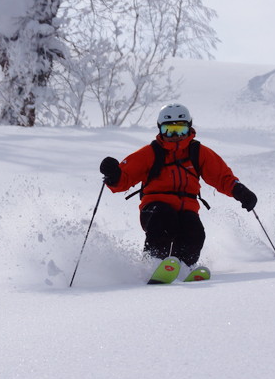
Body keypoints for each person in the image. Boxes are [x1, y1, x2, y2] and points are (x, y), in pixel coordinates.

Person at [99, 103, 257, 273]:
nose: (175, 136)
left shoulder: (198, 153)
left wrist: (240, 191)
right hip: (154, 209)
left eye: (180, 130)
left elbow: (221, 177)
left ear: (189, 128)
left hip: (187, 208)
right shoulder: (150, 153)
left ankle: (182, 267)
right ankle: (152, 264)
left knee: (194, 231)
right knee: (165, 218)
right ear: (160, 129)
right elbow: (124, 178)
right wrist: (114, 175)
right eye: (169, 130)